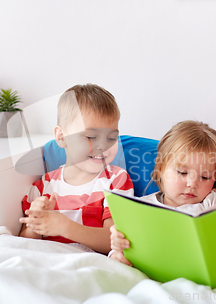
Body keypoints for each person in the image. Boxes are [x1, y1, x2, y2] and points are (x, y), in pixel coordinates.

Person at [19, 84, 133, 254]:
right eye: (91, 136)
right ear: (61, 137)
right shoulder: (43, 186)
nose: (103, 146)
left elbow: (115, 243)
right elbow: (23, 245)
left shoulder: (116, 180)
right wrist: (36, 223)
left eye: (111, 137)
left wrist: (65, 227)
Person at [110, 120, 216, 265]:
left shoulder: (212, 202)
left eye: (205, 177)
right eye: (182, 172)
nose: (192, 183)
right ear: (160, 170)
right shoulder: (141, 207)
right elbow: (120, 252)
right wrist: (117, 251)